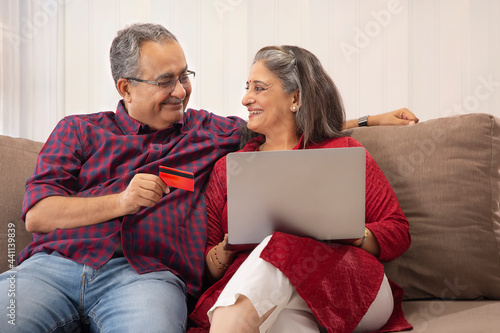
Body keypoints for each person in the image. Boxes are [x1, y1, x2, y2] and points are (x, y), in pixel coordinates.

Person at [0, 23, 417, 333]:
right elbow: (37, 215)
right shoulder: (78, 130)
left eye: (185, 76)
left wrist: (369, 120)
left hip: (146, 278)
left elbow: (288, 123)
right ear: (125, 88)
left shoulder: (210, 134)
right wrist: (122, 202)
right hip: (52, 269)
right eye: (166, 81)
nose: (181, 91)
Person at [187, 45, 413, 333]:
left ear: (295, 97)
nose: (245, 99)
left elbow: (398, 231)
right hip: (274, 298)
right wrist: (226, 248)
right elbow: (210, 265)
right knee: (281, 321)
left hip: (353, 289)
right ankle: (235, 320)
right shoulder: (230, 167)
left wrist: (354, 232)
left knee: (277, 245)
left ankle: (230, 321)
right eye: (247, 88)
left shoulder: (342, 152)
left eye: (259, 88)